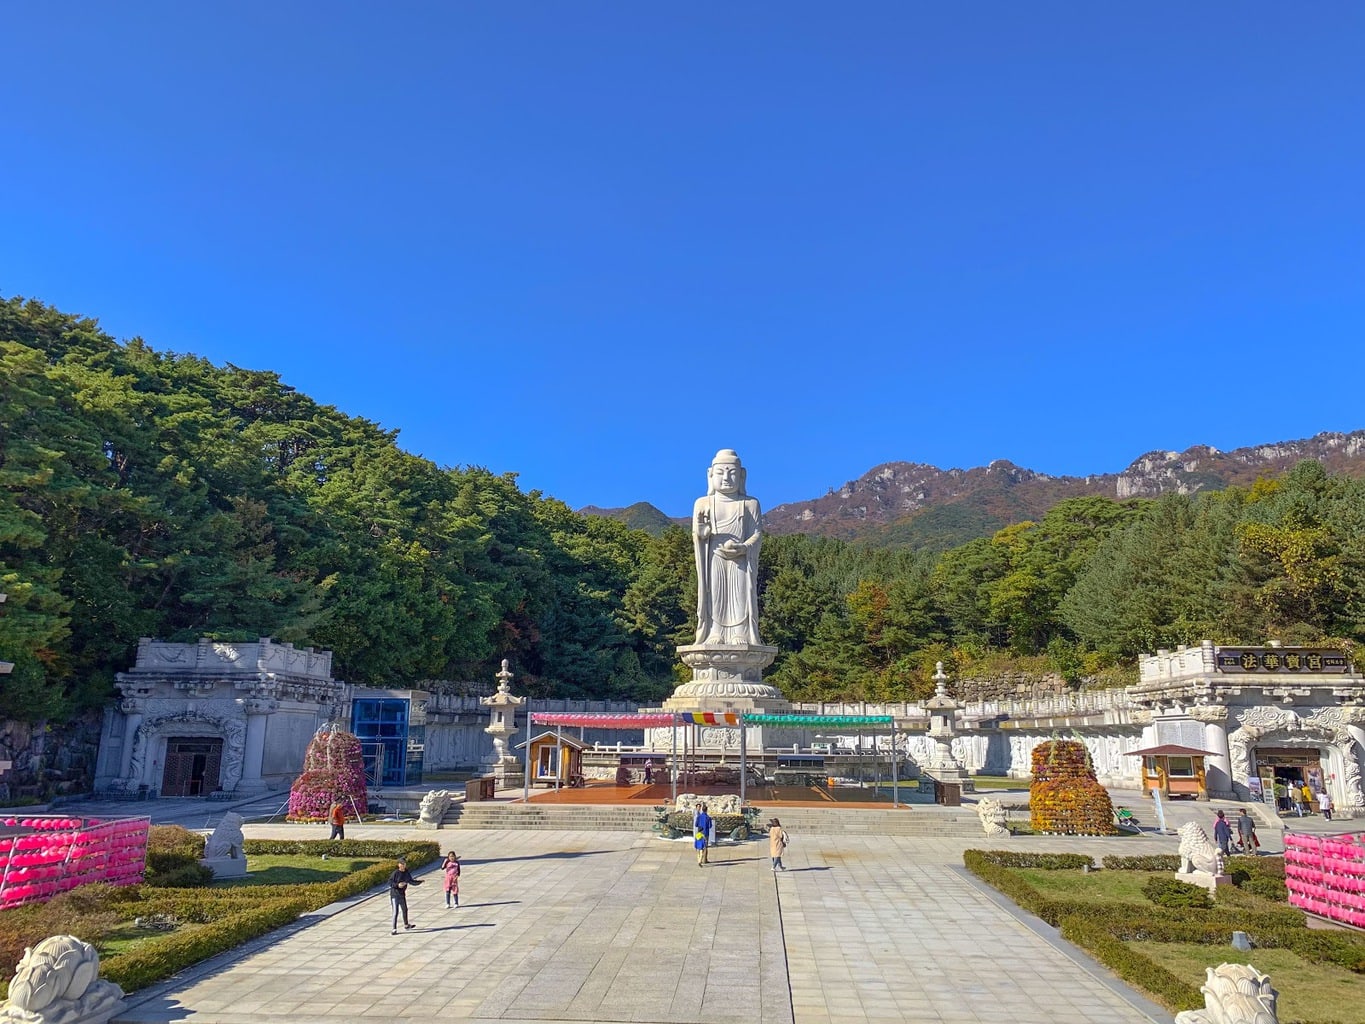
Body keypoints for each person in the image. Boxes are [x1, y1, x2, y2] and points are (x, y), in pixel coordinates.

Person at [692, 450, 764, 646]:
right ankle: (715, 631)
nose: (726, 478)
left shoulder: (750, 504)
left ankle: (739, 632)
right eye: (721, 472)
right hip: (714, 556)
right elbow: (698, 536)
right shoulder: (703, 503)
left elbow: (757, 534)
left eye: (732, 472)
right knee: (714, 594)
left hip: (741, 560)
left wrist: (744, 547)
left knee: (740, 595)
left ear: (742, 475)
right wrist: (701, 532)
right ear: (710, 474)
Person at [389, 856, 422, 933]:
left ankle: (406, 925)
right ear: (398, 865)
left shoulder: (406, 872)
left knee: (405, 909)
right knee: (395, 911)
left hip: (402, 894)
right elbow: (390, 882)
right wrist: (397, 885)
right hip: (395, 895)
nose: (403, 865)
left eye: (404, 864)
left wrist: (419, 882)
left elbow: (411, 881)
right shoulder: (395, 873)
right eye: (401, 864)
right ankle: (394, 929)